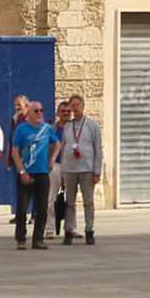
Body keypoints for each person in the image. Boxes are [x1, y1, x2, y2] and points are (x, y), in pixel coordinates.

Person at [56, 94, 103, 245]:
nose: (75, 108)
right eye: (72, 105)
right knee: (70, 202)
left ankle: (89, 230)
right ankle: (69, 230)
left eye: (77, 105)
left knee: (88, 202)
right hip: (70, 169)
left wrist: (97, 171)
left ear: (83, 106)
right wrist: (63, 172)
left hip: (87, 169)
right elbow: (63, 149)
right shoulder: (67, 127)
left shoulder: (91, 125)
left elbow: (97, 149)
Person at [9, 99, 55, 249]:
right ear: (28, 112)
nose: (39, 113)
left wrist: (52, 159)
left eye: (41, 110)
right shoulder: (21, 129)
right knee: (22, 207)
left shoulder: (46, 128)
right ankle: (21, 239)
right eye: (36, 111)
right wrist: (22, 171)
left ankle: (38, 239)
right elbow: (14, 152)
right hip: (26, 173)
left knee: (42, 208)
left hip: (42, 172)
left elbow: (57, 143)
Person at [49, 99, 72, 240]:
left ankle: (70, 228)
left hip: (72, 166)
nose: (66, 113)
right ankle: (49, 228)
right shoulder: (52, 130)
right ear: (58, 113)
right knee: (50, 198)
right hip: (55, 165)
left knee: (71, 199)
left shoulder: (75, 129)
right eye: (63, 111)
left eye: (68, 111)